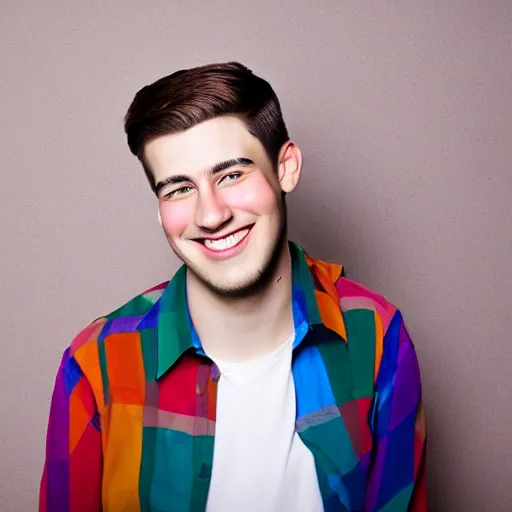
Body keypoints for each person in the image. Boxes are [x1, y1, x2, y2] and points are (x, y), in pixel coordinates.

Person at [39, 62, 427, 512]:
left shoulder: (375, 338)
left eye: (231, 175)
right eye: (179, 189)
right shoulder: (97, 363)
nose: (210, 215)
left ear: (286, 168)